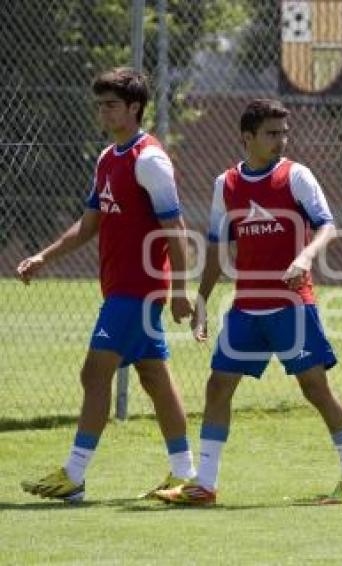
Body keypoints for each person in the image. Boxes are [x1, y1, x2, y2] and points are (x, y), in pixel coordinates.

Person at [155, 99, 342, 505]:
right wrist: (201, 300)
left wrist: (305, 256)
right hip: (246, 308)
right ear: (248, 137)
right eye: (272, 134)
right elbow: (218, 249)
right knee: (218, 386)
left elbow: (328, 226)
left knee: (315, 389)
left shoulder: (297, 176)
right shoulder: (227, 184)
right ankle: (205, 485)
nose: (281, 141)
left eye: (284, 133)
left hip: (292, 305)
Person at [18, 68, 195, 501]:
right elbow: (89, 225)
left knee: (93, 372)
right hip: (121, 287)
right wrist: (45, 256)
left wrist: (179, 290)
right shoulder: (107, 157)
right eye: (99, 104)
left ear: (135, 108)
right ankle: (186, 473)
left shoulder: (149, 159)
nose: (103, 111)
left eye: (111, 104)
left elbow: (175, 228)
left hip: (138, 289)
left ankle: (74, 476)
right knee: (154, 377)